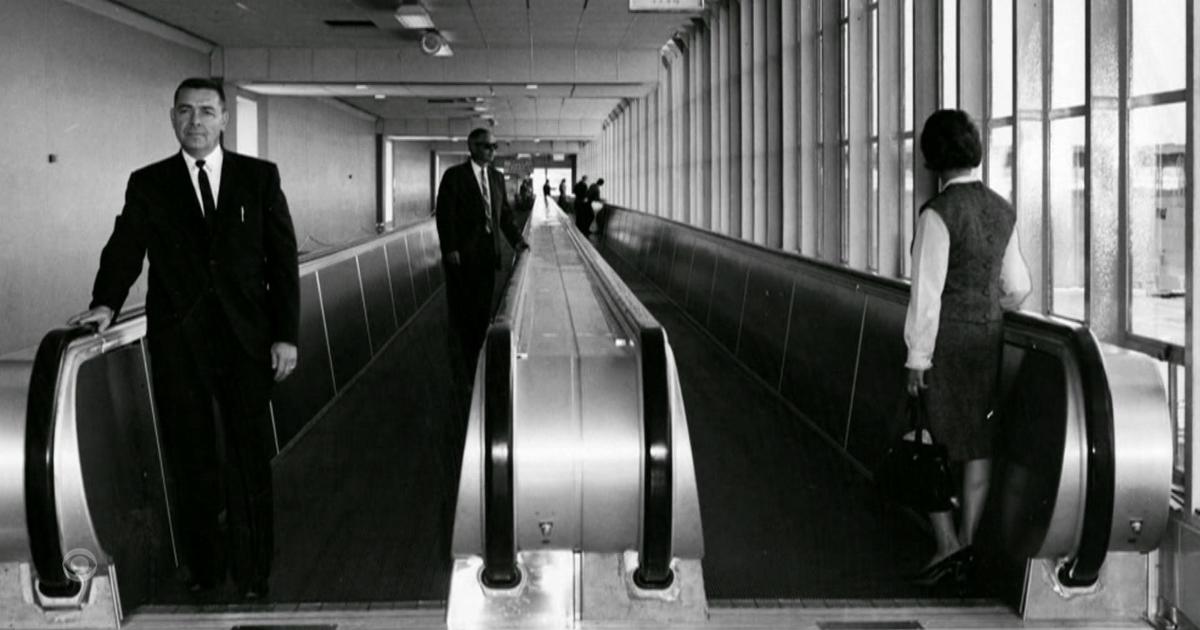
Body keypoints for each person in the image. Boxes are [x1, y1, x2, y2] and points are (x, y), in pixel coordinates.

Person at [68, 77, 299, 600]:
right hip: (180, 344)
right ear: (173, 118)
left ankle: (253, 574)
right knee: (191, 460)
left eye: (206, 112)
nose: (195, 122)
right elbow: (125, 247)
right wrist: (105, 301)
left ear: (223, 119)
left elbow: (281, 262)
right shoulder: (150, 184)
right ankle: (203, 569)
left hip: (247, 343)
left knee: (248, 461)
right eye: (185, 112)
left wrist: (286, 335)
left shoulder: (258, 178)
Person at [903, 109, 1030, 586]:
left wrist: (917, 360)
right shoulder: (1002, 209)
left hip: (945, 344)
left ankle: (946, 544)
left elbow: (927, 294)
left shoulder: (938, 214)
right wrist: (985, 305)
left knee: (925, 439)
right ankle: (968, 542)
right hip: (988, 338)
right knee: (978, 445)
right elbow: (1017, 287)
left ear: (934, 160)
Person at [435, 128, 529, 376]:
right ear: (472, 147)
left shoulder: (496, 178)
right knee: (464, 313)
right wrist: (450, 248)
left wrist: (517, 241)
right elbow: (445, 216)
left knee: (483, 309)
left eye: (495, 146)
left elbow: (504, 216)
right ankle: (465, 368)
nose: (493, 151)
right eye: (488, 146)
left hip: (489, 255)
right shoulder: (454, 176)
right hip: (463, 257)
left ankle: (477, 360)